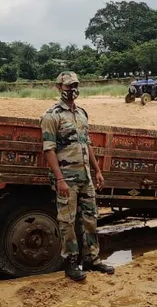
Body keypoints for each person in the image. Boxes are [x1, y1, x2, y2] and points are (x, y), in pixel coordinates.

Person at [40, 71, 115, 281]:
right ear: (59, 88)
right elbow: (49, 150)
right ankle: (71, 263)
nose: (72, 90)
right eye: (67, 87)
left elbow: (87, 143)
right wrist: (60, 179)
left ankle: (92, 259)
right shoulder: (51, 115)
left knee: (90, 218)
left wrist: (97, 170)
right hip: (66, 179)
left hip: (85, 177)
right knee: (67, 221)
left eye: (75, 86)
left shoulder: (82, 114)